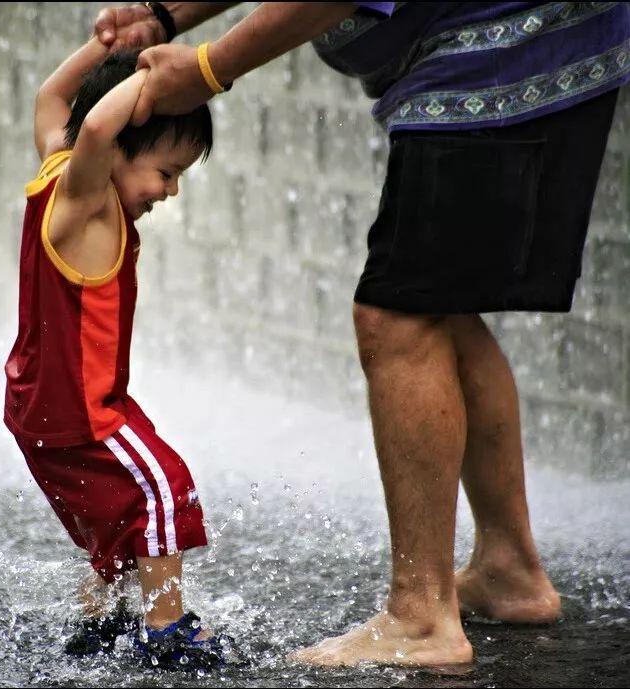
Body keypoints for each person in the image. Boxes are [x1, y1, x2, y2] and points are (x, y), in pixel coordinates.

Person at [92, 0, 629, 667]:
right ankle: (508, 567)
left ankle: (422, 615)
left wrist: (206, 67)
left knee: (397, 314)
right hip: (510, 51)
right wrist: (165, 16)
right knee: (439, 307)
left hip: (501, 56)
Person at [2, 35, 228, 670]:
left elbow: (53, 97)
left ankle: (98, 618)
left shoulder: (55, 167)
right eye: (166, 172)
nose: (170, 192)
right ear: (118, 148)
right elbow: (98, 122)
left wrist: (114, 47)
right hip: (82, 408)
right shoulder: (87, 201)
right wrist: (167, 73)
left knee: (122, 516)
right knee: (164, 486)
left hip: (39, 403)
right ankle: (167, 626)